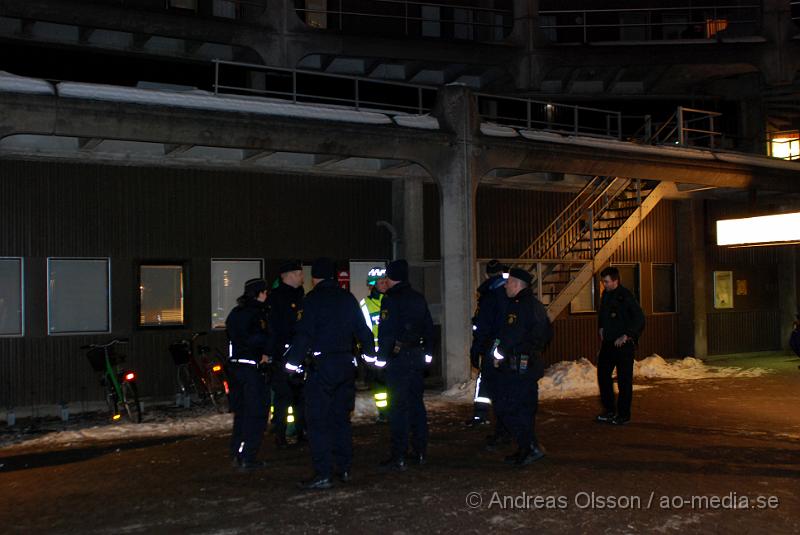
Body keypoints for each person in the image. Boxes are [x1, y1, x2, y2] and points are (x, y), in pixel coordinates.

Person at [284, 258, 374, 490]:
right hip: (345, 364)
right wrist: (370, 356)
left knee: (318, 421)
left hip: (321, 366)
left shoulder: (312, 301)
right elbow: (363, 331)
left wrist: (291, 365)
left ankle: (323, 473)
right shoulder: (348, 299)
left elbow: (303, 335)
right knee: (341, 419)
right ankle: (343, 468)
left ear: (315, 277)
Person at [371, 259, 435, 471]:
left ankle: (398, 455)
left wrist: (381, 360)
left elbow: (387, 333)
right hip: (416, 356)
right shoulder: (418, 298)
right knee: (417, 405)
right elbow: (429, 328)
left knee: (398, 408)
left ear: (390, 278)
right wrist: (428, 355)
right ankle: (420, 451)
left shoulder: (390, 300)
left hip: (398, 360)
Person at [491, 268, 551, 466]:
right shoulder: (535, 305)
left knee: (512, 407)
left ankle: (529, 448)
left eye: (509, 282)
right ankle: (527, 447)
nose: (506, 286)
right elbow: (547, 333)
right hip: (528, 364)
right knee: (523, 408)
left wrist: (498, 354)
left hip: (518, 366)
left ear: (517, 285)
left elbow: (511, 335)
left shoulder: (519, 306)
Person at [225, 278, 271, 471]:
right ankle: (247, 456)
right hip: (251, 369)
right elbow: (257, 338)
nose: (267, 295)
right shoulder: (258, 314)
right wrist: (265, 350)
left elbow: (232, 336)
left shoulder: (236, 313)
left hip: (235, 367)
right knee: (256, 413)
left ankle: (237, 451)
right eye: (265, 292)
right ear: (260, 293)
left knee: (241, 412)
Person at [595, 266, 645, 425]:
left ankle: (623, 414)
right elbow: (603, 314)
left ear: (616, 281)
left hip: (623, 345)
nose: (604, 284)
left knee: (624, 380)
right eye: (603, 281)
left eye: (607, 282)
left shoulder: (626, 296)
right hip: (608, 344)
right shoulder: (606, 295)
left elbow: (639, 318)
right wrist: (601, 327)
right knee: (603, 375)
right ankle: (609, 410)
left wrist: (627, 335)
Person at [467, 260, 510, 436]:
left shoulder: (488, 294)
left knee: (485, 379)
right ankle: (503, 420)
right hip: (506, 345)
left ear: (486, 274)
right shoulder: (509, 291)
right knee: (503, 380)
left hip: (491, 345)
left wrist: (476, 348)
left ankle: (482, 414)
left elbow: (483, 324)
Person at [267, 260, 306, 449]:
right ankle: (280, 434)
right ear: (289, 275)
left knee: (300, 395)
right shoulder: (277, 298)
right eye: (299, 274)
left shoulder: (300, 294)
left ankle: (300, 431)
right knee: (283, 396)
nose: (303, 277)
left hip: (299, 352)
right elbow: (275, 328)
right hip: (283, 354)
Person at [359, 267, 389, 422]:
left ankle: (393, 411)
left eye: (385, 281)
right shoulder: (365, 305)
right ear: (372, 285)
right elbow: (364, 332)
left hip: (393, 352)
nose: (384, 284)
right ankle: (383, 412)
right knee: (379, 387)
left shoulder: (394, 301)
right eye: (380, 282)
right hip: (376, 354)